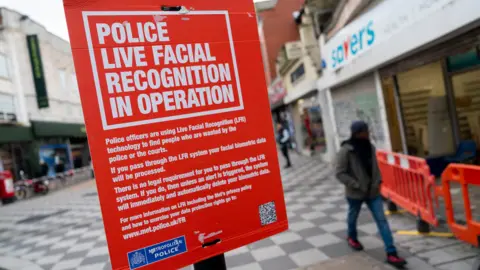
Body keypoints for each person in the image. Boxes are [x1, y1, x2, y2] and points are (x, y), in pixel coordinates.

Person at [335, 121, 407, 268]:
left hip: (373, 192)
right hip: (355, 193)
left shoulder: (370, 146)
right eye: (365, 130)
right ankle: (352, 237)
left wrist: (378, 181)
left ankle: (391, 253)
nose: (368, 132)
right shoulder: (346, 150)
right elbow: (339, 173)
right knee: (353, 216)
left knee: (382, 221)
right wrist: (356, 185)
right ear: (358, 132)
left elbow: (375, 167)